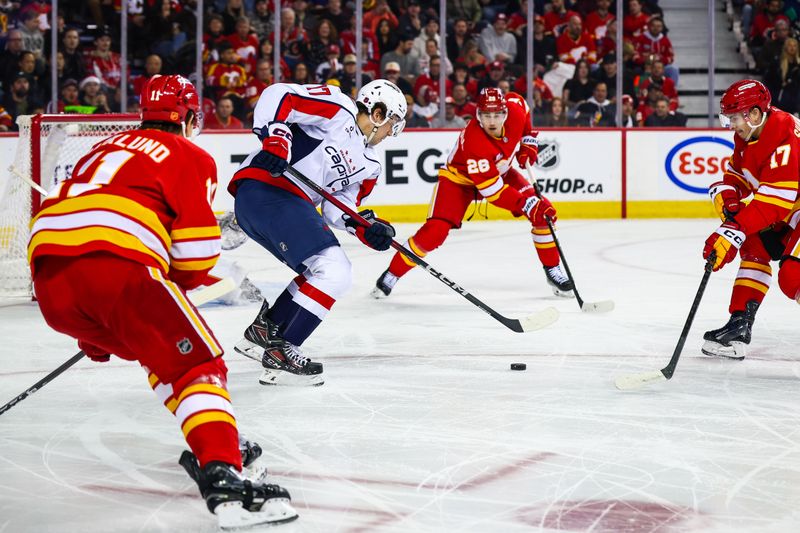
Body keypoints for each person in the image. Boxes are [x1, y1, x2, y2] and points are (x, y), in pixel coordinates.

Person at [26, 74, 298, 529]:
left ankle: (211, 429)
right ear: (191, 117)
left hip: (51, 284)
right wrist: (165, 285)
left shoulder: (103, 147)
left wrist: (99, 328)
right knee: (197, 363)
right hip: (115, 268)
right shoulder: (189, 153)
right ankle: (222, 471)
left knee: (158, 344)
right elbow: (195, 257)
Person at [229, 80, 407, 386]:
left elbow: (340, 209)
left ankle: (266, 332)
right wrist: (276, 138)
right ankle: (283, 349)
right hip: (267, 188)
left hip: (284, 204)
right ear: (378, 112)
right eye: (392, 123)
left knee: (324, 269)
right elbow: (279, 95)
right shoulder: (340, 109)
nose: (391, 132)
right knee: (335, 269)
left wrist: (369, 229)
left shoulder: (371, 164)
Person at [372, 88, 574, 300]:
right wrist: (526, 204)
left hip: (501, 171)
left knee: (543, 215)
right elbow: (493, 192)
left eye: (497, 115)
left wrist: (527, 140)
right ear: (478, 115)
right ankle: (392, 273)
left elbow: (523, 105)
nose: (492, 121)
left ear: (506, 113)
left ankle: (553, 271)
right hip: (458, 181)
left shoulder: (514, 107)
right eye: (487, 115)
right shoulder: (475, 140)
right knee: (435, 232)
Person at [701, 79, 800, 360]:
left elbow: (774, 202)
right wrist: (728, 196)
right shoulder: (748, 135)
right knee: (754, 246)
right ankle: (739, 326)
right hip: (791, 211)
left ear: (754, 114)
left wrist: (732, 230)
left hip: (788, 208)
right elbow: (738, 174)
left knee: (793, 276)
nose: (731, 124)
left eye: (734, 117)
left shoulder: (783, 133)